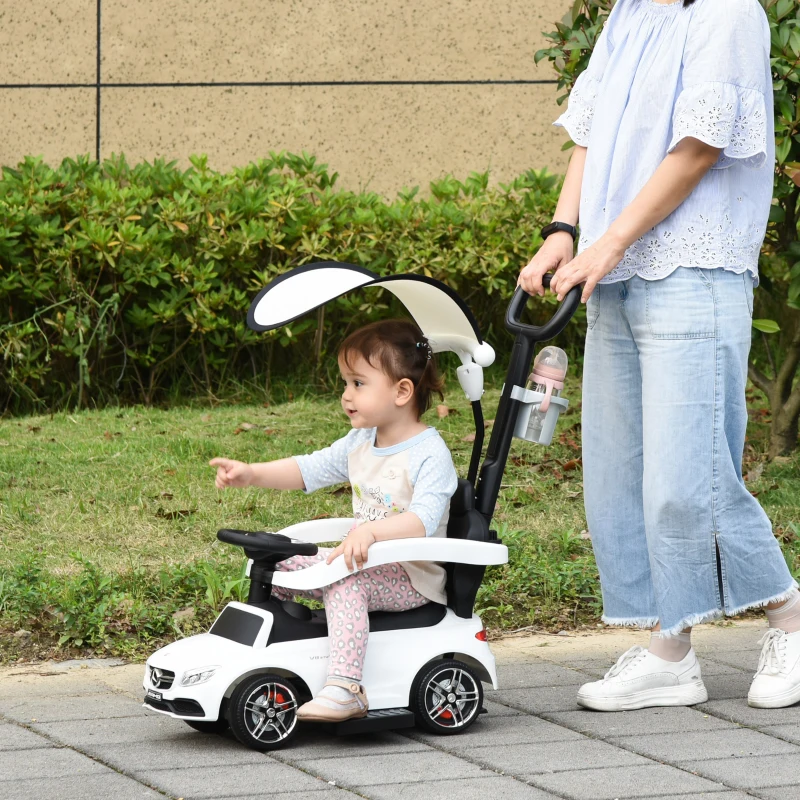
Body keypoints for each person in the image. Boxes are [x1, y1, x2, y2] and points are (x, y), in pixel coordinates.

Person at [519, 0, 800, 711]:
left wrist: (605, 245)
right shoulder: (630, 13)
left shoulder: (728, 11)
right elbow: (589, 132)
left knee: (690, 473)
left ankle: (791, 620)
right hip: (613, 271)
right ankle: (670, 651)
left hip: (692, 269)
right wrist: (563, 231)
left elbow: (700, 146)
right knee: (625, 472)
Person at [209, 319, 458, 722]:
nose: (346, 395)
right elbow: (309, 470)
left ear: (402, 391)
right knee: (278, 561)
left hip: (410, 578)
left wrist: (372, 531)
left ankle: (346, 687)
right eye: (345, 383)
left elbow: (422, 521)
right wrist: (252, 473)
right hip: (363, 562)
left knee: (344, 578)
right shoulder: (362, 441)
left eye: (358, 384)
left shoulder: (429, 453)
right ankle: (296, 645)